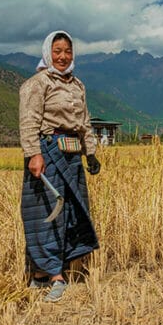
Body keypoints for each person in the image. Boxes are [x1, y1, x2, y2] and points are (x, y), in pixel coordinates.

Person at [19, 30, 102, 303]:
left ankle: (48, 272)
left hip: (72, 155)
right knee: (46, 211)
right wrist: (33, 153)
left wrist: (90, 153)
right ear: (47, 53)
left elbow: (84, 122)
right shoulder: (38, 83)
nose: (63, 56)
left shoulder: (77, 85)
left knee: (69, 212)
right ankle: (52, 275)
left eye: (67, 51)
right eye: (57, 51)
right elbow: (29, 119)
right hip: (47, 153)